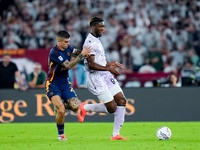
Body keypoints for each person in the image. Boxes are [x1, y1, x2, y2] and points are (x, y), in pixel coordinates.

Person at [78, 17, 129, 140]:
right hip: (96, 78)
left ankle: (115, 134)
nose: (102, 29)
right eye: (100, 27)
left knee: (122, 100)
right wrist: (108, 69)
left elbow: (99, 62)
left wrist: (110, 64)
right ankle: (84, 108)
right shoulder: (89, 43)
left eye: (103, 26)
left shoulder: (97, 40)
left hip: (105, 75)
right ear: (93, 27)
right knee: (112, 108)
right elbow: (91, 65)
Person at [45, 30, 92, 141]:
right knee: (62, 111)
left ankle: (59, 105)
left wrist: (86, 54)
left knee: (75, 107)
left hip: (65, 83)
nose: (68, 44)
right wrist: (81, 55)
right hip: (53, 84)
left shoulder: (68, 48)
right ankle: (61, 135)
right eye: (66, 42)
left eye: (69, 41)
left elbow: (76, 52)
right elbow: (69, 65)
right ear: (59, 41)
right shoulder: (55, 53)